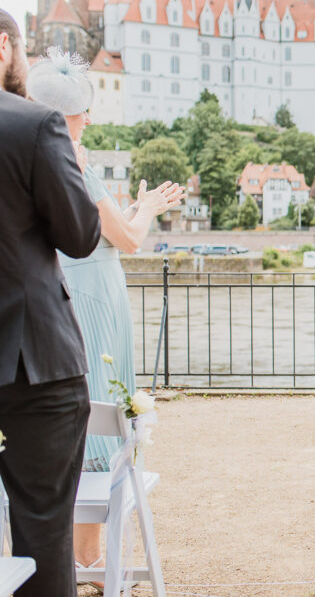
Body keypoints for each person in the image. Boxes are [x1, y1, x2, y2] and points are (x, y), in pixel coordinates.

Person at [26, 47, 184, 578]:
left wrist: (136, 207)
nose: (89, 118)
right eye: (81, 112)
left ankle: (80, 557)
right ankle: (88, 560)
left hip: (82, 296)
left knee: (90, 413)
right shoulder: (78, 172)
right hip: (92, 307)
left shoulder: (51, 165)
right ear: (63, 117)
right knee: (95, 424)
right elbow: (129, 239)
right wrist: (149, 209)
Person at [0, 9, 101, 595]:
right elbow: (80, 237)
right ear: (4, 45)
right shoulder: (35, 125)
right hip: (32, 363)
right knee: (42, 531)